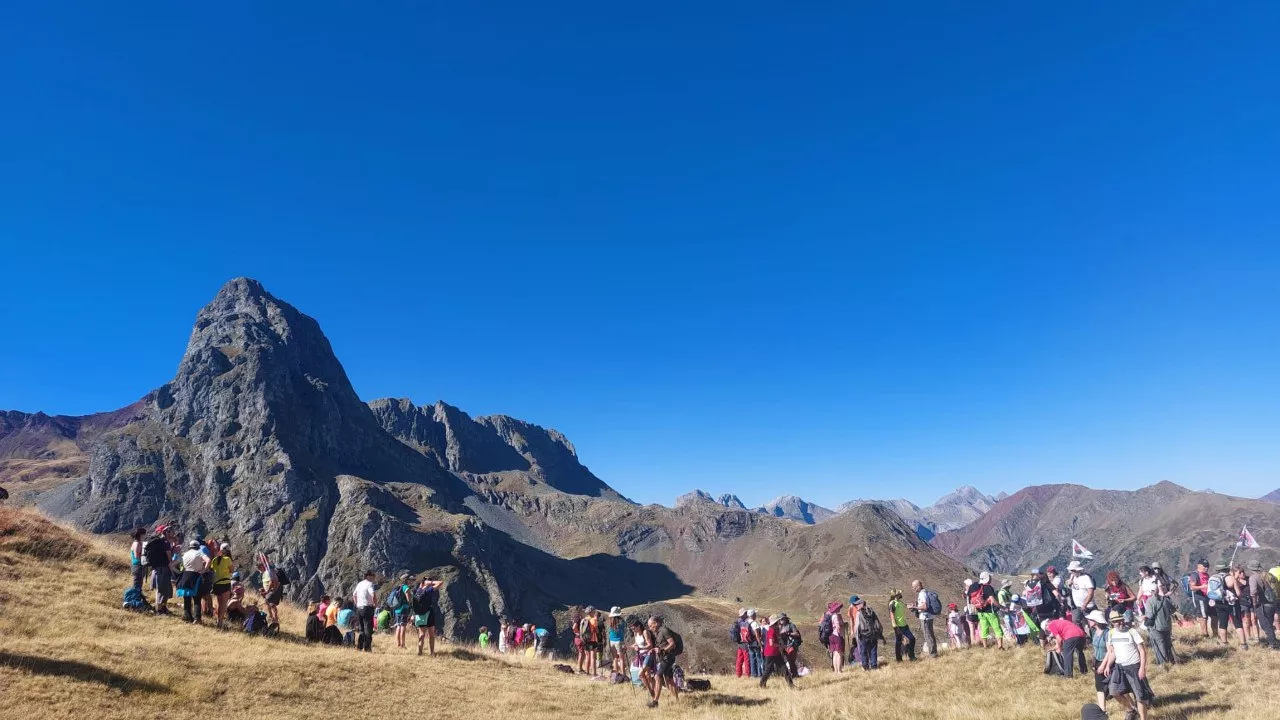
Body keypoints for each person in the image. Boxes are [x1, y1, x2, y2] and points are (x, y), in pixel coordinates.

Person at [1100, 609, 1154, 720]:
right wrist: (1108, 665)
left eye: (1121, 620)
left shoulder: (1132, 632)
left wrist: (1142, 668)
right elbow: (1112, 652)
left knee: (1139, 696)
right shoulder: (1111, 634)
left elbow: (1142, 650)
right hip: (1119, 668)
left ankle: (1143, 718)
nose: (1120, 623)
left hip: (1134, 666)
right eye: (1116, 621)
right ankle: (1131, 710)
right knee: (1114, 691)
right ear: (1112, 623)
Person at [648, 616, 681, 707]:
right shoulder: (658, 633)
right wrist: (655, 650)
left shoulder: (664, 630)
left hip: (668, 658)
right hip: (665, 658)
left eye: (651, 626)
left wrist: (663, 651)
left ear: (656, 623)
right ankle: (677, 701)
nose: (650, 628)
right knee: (669, 679)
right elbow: (662, 645)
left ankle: (655, 702)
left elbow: (672, 644)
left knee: (657, 676)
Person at [1212, 562, 1246, 649]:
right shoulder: (1230, 578)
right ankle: (1243, 644)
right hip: (1232, 603)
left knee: (1222, 624)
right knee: (1238, 623)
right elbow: (1238, 593)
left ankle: (1224, 643)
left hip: (1219, 602)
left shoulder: (1214, 577)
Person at [144, 525, 175, 614]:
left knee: (162, 589)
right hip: (163, 569)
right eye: (171, 531)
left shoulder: (160, 542)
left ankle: (162, 608)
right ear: (167, 532)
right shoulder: (166, 543)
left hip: (156, 569)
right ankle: (159, 610)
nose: (173, 533)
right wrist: (174, 552)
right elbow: (169, 558)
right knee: (162, 590)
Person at [1144, 581, 1176, 666]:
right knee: (1168, 644)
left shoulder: (1149, 601)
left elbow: (1150, 615)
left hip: (1156, 627)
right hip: (1167, 625)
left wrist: (1144, 617)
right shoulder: (1165, 599)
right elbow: (1173, 609)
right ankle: (1172, 661)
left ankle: (1164, 664)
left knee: (1160, 644)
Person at [1085, 609, 1111, 711]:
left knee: (1116, 689)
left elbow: (1109, 651)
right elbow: (1095, 648)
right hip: (1097, 662)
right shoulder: (1095, 632)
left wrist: (1103, 665)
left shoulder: (1107, 633)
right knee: (1099, 687)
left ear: (1095, 621)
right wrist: (1093, 661)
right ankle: (1103, 710)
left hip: (1107, 663)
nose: (1089, 621)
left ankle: (1131, 707)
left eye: (1090, 619)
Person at [177, 540, 209, 623]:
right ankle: (197, 618)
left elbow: (172, 564)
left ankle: (187, 616)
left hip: (185, 575)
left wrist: (179, 572)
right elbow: (208, 560)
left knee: (186, 597)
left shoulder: (185, 554)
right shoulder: (199, 553)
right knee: (197, 598)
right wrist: (204, 570)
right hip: (195, 575)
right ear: (198, 547)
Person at [411, 575, 444, 656]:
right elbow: (440, 583)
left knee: (421, 634)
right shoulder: (428, 590)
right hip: (429, 613)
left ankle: (420, 652)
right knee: (431, 634)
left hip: (420, 614)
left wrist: (424, 583)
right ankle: (432, 653)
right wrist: (431, 583)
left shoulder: (418, 590)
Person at [969, 572, 1003, 649]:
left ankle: (985, 646)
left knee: (984, 629)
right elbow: (992, 599)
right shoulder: (988, 587)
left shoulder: (974, 587)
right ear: (988, 578)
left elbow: (969, 598)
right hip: (990, 612)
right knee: (997, 628)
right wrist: (1000, 606)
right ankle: (1000, 646)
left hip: (980, 612)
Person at [1247, 560, 1276, 649]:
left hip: (1262, 603)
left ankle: (1273, 644)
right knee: (1269, 623)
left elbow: (1253, 592)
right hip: (1272, 602)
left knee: (1265, 624)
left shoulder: (1253, 577)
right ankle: (1272, 640)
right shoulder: (1268, 575)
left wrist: (1255, 603)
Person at [759, 615, 794, 688]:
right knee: (768, 669)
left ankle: (791, 685)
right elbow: (771, 643)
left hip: (776, 652)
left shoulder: (776, 629)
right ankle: (762, 684)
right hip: (770, 653)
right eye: (778, 621)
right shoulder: (771, 630)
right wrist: (780, 646)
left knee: (784, 668)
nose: (779, 622)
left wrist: (782, 645)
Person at [887, 589, 917, 662]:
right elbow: (892, 615)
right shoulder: (892, 603)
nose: (901, 594)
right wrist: (895, 626)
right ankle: (899, 659)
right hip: (898, 626)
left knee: (912, 639)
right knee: (899, 642)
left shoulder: (899, 602)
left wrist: (912, 605)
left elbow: (906, 605)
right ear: (896, 595)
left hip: (904, 624)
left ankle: (911, 656)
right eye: (899, 594)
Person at [209, 543, 234, 628]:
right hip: (225, 583)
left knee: (219, 603)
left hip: (216, 584)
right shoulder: (227, 559)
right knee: (223, 605)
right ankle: (220, 622)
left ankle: (218, 620)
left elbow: (212, 568)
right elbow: (231, 570)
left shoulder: (215, 559)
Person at [912, 579, 939, 657]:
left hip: (925, 617)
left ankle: (933, 654)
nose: (913, 589)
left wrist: (914, 607)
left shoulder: (922, 594)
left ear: (918, 586)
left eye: (914, 587)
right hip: (929, 616)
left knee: (928, 635)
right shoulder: (926, 592)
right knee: (930, 634)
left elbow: (924, 606)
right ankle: (934, 652)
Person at [385, 573, 412, 650]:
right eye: (410, 579)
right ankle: (403, 645)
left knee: (398, 626)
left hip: (397, 610)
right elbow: (408, 599)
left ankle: (398, 644)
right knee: (403, 626)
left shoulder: (399, 587)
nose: (411, 581)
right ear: (407, 580)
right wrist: (410, 600)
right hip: (403, 609)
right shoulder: (405, 587)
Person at [631, 618, 657, 699]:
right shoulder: (636, 634)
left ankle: (651, 692)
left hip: (648, 654)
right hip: (641, 656)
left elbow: (650, 645)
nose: (633, 630)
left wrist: (640, 648)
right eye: (632, 628)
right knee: (647, 675)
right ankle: (653, 692)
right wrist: (627, 647)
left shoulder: (645, 632)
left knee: (640, 674)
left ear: (638, 626)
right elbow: (636, 644)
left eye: (634, 628)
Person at [852, 596, 881, 670]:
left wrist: (856, 635)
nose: (855, 606)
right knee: (873, 650)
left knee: (863, 651)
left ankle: (865, 667)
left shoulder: (859, 613)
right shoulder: (871, 611)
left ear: (861, 604)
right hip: (873, 634)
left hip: (863, 635)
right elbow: (877, 622)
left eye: (856, 605)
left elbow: (857, 626)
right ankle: (874, 666)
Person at [1188, 559, 1214, 638]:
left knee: (1210, 615)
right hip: (1200, 598)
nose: (1206, 568)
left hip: (1208, 597)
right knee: (1203, 616)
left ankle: (1213, 633)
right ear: (1199, 566)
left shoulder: (1206, 575)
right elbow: (1192, 587)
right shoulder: (1194, 575)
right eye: (1205, 566)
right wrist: (1202, 587)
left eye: (1207, 566)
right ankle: (1205, 634)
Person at [1067, 561, 1096, 628]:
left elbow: (1090, 592)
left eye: (1073, 570)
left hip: (1088, 606)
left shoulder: (1086, 578)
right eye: (1071, 570)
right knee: (1076, 622)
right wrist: (1069, 583)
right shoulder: (1072, 577)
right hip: (1077, 606)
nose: (1071, 572)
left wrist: (1085, 604)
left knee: (1092, 624)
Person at [353, 570, 377, 652]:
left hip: (359, 608)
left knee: (362, 629)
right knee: (368, 629)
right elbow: (373, 594)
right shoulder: (369, 584)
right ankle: (367, 648)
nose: (374, 578)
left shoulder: (360, 584)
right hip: (367, 608)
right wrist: (375, 604)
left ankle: (359, 646)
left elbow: (354, 594)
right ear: (368, 576)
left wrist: (357, 604)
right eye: (373, 576)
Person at [580, 606, 603, 675]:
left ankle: (587, 672)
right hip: (593, 640)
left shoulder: (583, 620)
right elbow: (597, 631)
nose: (595, 612)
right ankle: (594, 673)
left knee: (587, 657)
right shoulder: (594, 620)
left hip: (585, 640)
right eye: (594, 611)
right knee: (593, 657)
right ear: (592, 612)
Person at [823, 601, 845, 673]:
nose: (839, 608)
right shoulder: (835, 615)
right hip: (836, 635)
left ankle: (835, 670)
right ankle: (839, 670)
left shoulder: (829, 615)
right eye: (838, 607)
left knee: (835, 653)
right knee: (839, 653)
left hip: (831, 636)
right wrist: (840, 633)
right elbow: (838, 626)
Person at [777, 612, 801, 678]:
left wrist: (788, 633)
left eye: (782, 619)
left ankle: (795, 675)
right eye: (780, 619)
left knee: (791, 661)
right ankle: (788, 675)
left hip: (791, 645)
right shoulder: (779, 627)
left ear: (786, 619)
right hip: (783, 646)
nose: (781, 620)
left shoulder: (791, 625)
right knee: (784, 661)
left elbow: (796, 634)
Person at [607, 606, 628, 673]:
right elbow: (624, 629)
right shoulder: (621, 621)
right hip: (619, 640)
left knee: (615, 658)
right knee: (621, 659)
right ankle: (623, 674)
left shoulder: (610, 621)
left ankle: (616, 673)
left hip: (611, 641)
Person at [732, 608, 752, 677]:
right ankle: (748, 674)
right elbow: (747, 633)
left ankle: (738, 674)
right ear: (744, 614)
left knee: (739, 659)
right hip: (745, 643)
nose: (746, 614)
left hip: (739, 643)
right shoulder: (744, 623)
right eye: (745, 613)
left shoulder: (737, 622)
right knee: (747, 660)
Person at [746, 609, 763, 678]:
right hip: (755, 644)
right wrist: (760, 645)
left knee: (752, 659)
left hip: (749, 643)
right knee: (759, 659)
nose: (756, 615)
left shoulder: (745, 622)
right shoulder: (754, 623)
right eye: (755, 614)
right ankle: (760, 674)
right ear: (753, 615)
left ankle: (753, 674)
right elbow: (757, 635)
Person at [962, 579, 980, 644]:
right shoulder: (977, 591)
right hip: (978, 610)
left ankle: (973, 643)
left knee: (971, 629)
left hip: (970, 612)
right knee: (978, 628)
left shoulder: (967, 592)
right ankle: (979, 640)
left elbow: (963, 596)